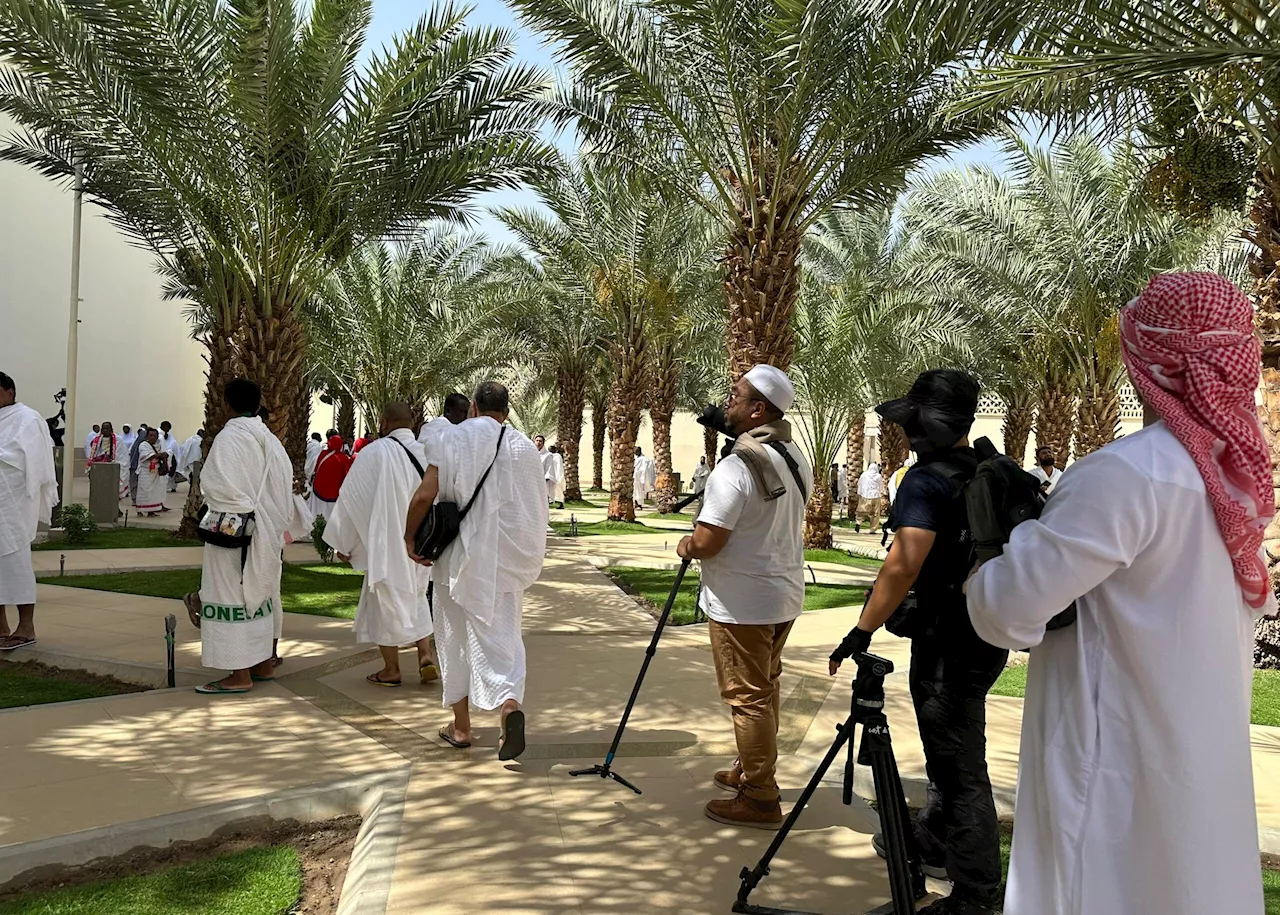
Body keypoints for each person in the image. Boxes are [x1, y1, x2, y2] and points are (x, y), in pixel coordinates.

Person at [967, 273, 1269, 915]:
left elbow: (1008, 609)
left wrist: (987, 548)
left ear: (1147, 366)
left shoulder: (1124, 475)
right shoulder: (1231, 486)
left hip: (1111, 784)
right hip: (1197, 773)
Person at [831, 369, 1006, 915]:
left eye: (911, 422)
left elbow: (903, 563)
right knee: (949, 753)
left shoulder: (926, 481)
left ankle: (975, 896)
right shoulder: (983, 469)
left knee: (960, 772)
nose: (905, 433)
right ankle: (932, 837)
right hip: (984, 636)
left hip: (947, 647)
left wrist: (860, 630)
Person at [676, 364, 812, 830]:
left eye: (735, 396)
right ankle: (750, 767)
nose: (727, 404)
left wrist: (685, 545)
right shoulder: (795, 455)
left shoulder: (737, 466)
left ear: (757, 409)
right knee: (765, 687)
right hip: (782, 594)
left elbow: (709, 541)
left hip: (741, 603)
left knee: (748, 697)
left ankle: (758, 796)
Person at [404, 381, 547, 760]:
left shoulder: (452, 439)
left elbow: (424, 495)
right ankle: (509, 706)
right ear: (508, 410)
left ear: (473, 409)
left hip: (456, 563)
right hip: (504, 563)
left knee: (452, 642)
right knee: (503, 639)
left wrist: (408, 538)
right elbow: (533, 511)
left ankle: (462, 727)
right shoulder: (523, 448)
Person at [186, 378, 308, 694]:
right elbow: (284, 489)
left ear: (227, 404)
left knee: (228, 596)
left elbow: (216, 486)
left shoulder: (230, 438)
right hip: (266, 536)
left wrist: (241, 510)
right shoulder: (271, 440)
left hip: (234, 537)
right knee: (261, 595)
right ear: (256, 405)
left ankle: (239, 674)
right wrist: (266, 522)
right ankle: (263, 663)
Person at [324, 402, 437, 686]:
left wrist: (342, 541)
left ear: (384, 422)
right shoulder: (428, 453)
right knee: (417, 595)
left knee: (383, 602)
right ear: (411, 423)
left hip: (387, 543)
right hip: (422, 543)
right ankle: (424, 655)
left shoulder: (373, 453)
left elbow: (352, 500)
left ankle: (391, 669)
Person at [0, 372, 57, 652]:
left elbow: (33, 462)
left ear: (10, 392)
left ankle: (26, 626)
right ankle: (0, 625)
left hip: (12, 503)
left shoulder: (27, 418)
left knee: (15, 562)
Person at [308, 434, 352, 523]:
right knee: (330, 518)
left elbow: (316, 468)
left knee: (317, 513)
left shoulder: (323, 454)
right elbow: (346, 476)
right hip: (334, 493)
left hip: (318, 489)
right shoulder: (344, 458)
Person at [418, 393, 469, 464]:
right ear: (448, 411)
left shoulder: (427, 428)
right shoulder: (450, 431)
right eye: (461, 412)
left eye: (467, 413)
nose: (465, 416)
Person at [87, 421, 130, 501]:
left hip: (113, 470)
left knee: (113, 494)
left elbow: (123, 457)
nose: (106, 430)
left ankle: (115, 510)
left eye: (107, 428)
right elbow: (94, 455)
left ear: (111, 429)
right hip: (101, 470)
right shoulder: (97, 440)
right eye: (104, 429)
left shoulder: (118, 440)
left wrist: (112, 460)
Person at [134, 427, 170, 516]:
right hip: (145, 472)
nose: (152, 437)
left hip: (155, 473)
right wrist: (160, 455)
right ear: (147, 436)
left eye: (154, 435)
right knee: (144, 491)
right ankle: (140, 510)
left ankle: (151, 511)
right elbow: (147, 456)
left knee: (154, 493)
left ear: (157, 437)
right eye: (150, 435)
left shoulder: (158, 445)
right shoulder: (143, 445)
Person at [854, 461, 884, 533]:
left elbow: (860, 483)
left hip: (865, 495)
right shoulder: (878, 476)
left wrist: (859, 493)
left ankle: (858, 522)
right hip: (875, 496)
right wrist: (881, 492)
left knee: (862, 511)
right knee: (875, 513)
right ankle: (873, 529)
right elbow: (881, 485)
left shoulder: (864, 475)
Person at [128, 423, 148, 505]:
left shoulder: (144, 444)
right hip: (134, 466)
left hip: (140, 467)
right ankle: (135, 499)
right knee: (134, 483)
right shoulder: (136, 443)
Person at [160, 421, 180, 491]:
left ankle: (173, 487)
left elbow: (174, 446)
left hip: (170, 456)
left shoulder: (170, 436)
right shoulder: (158, 435)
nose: (168, 430)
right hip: (161, 457)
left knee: (172, 471)